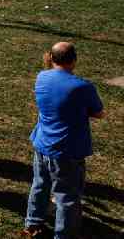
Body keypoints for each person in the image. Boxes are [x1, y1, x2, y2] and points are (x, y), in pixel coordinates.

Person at [24, 43, 104, 239]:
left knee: (39, 185)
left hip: (42, 143)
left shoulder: (41, 77)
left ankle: (33, 222)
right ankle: (63, 235)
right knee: (67, 197)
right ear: (74, 60)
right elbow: (99, 113)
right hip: (66, 150)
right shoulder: (82, 87)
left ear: (51, 57)